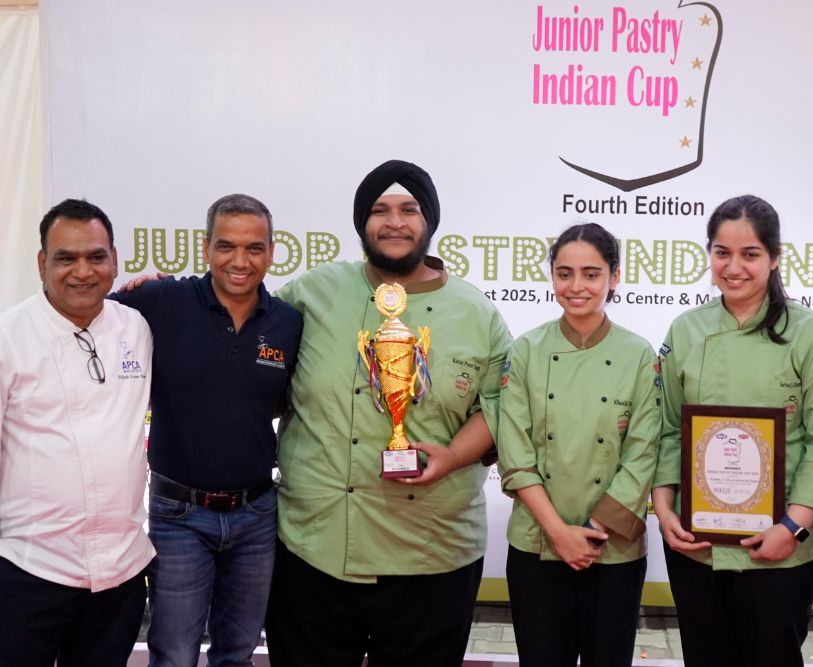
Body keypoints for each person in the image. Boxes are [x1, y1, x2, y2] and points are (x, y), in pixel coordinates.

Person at [264, 159, 512, 667]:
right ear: (361, 223)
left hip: (431, 552)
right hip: (316, 548)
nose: (394, 222)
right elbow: (242, 338)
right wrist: (158, 300)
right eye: (379, 210)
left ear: (430, 222)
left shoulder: (477, 313)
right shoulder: (310, 294)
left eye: (409, 209)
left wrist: (452, 454)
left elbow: (501, 405)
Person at [651, 194, 813, 667]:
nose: (733, 267)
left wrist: (794, 527)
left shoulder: (808, 332)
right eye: (722, 252)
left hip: (780, 545)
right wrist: (664, 511)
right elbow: (666, 428)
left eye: (750, 254)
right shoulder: (686, 330)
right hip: (696, 545)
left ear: (775, 258)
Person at [113, 194, 302, 667]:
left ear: (272, 251)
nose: (240, 261)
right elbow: (92, 318)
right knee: (174, 654)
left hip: (257, 515)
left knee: (237, 654)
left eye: (254, 248)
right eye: (226, 246)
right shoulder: (161, 301)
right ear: (206, 248)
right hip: (179, 515)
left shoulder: (287, 323)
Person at [497, 223, 660, 667]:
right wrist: (559, 533)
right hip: (537, 545)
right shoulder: (526, 350)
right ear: (551, 276)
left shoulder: (639, 355)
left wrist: (590, 533)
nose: (576, 286)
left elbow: (644, 452)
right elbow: (515, 452)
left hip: (614, 550)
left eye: (591, 274)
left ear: (615, 277)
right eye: (564, 273)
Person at [0, 199, 153, 667]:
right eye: (66, 258)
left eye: (96, 257)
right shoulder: (9, 336)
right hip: (29, 570)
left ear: (115, 260)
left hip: (121, 574)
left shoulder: (137, 327)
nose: (82, 271)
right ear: (42, 263)